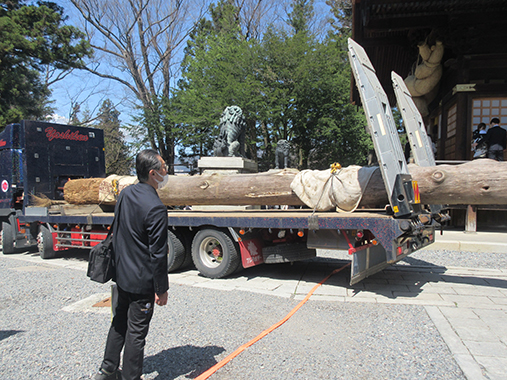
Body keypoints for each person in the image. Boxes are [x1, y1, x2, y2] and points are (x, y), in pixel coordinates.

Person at [94, 149, 169, 380]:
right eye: (164, 167)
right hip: (141, 282)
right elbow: (157, 254)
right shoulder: (156, 208)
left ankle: (107, 371)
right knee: (136, 333)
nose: (167, 171)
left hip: (122, 275)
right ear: (153, 173)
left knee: (119, 323)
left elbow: (117, 231)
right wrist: (161, 288)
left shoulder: (126, 194)